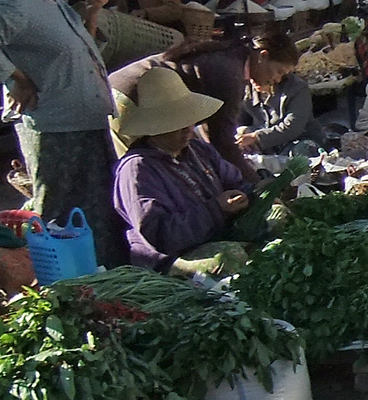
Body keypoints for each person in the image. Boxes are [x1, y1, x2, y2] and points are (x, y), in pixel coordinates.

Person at [0, 0, 125, 266]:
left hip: (85, 121)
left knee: (97, 207)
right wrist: (15, 77)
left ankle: (104, 278)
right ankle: (68, 285)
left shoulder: (51, 4)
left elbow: (76, 52)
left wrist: (93, 12)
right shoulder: (14, 4)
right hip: (56, 130)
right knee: (62, 210)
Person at [112, 66, 252, 273]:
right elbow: (158, 235)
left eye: (188, 119)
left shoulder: (197, 149)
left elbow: (234, 180)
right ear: (155, 127)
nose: (188, 127)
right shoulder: (138, 169)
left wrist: (256, 194)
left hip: (217, 235)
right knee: (230, 257)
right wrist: (216, 209)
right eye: (177, 122)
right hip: (170, 258)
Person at [110, 33, 301, 178]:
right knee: (139, 170)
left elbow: (210, 133)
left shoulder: (231, 57)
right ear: (263, 56)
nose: (277, 79)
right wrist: (253, 183)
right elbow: (222, 140)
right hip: (129, 99)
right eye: (279, 71)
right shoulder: (229, 74)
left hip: (125, 89)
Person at [236, 55, 322, 156]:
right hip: (266, 146)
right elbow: (240, 120)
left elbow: (292, 128)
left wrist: (256, 137)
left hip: (297, 141)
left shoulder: (297, 88)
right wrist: (243, 134)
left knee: (301, 151)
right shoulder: (248, 90)